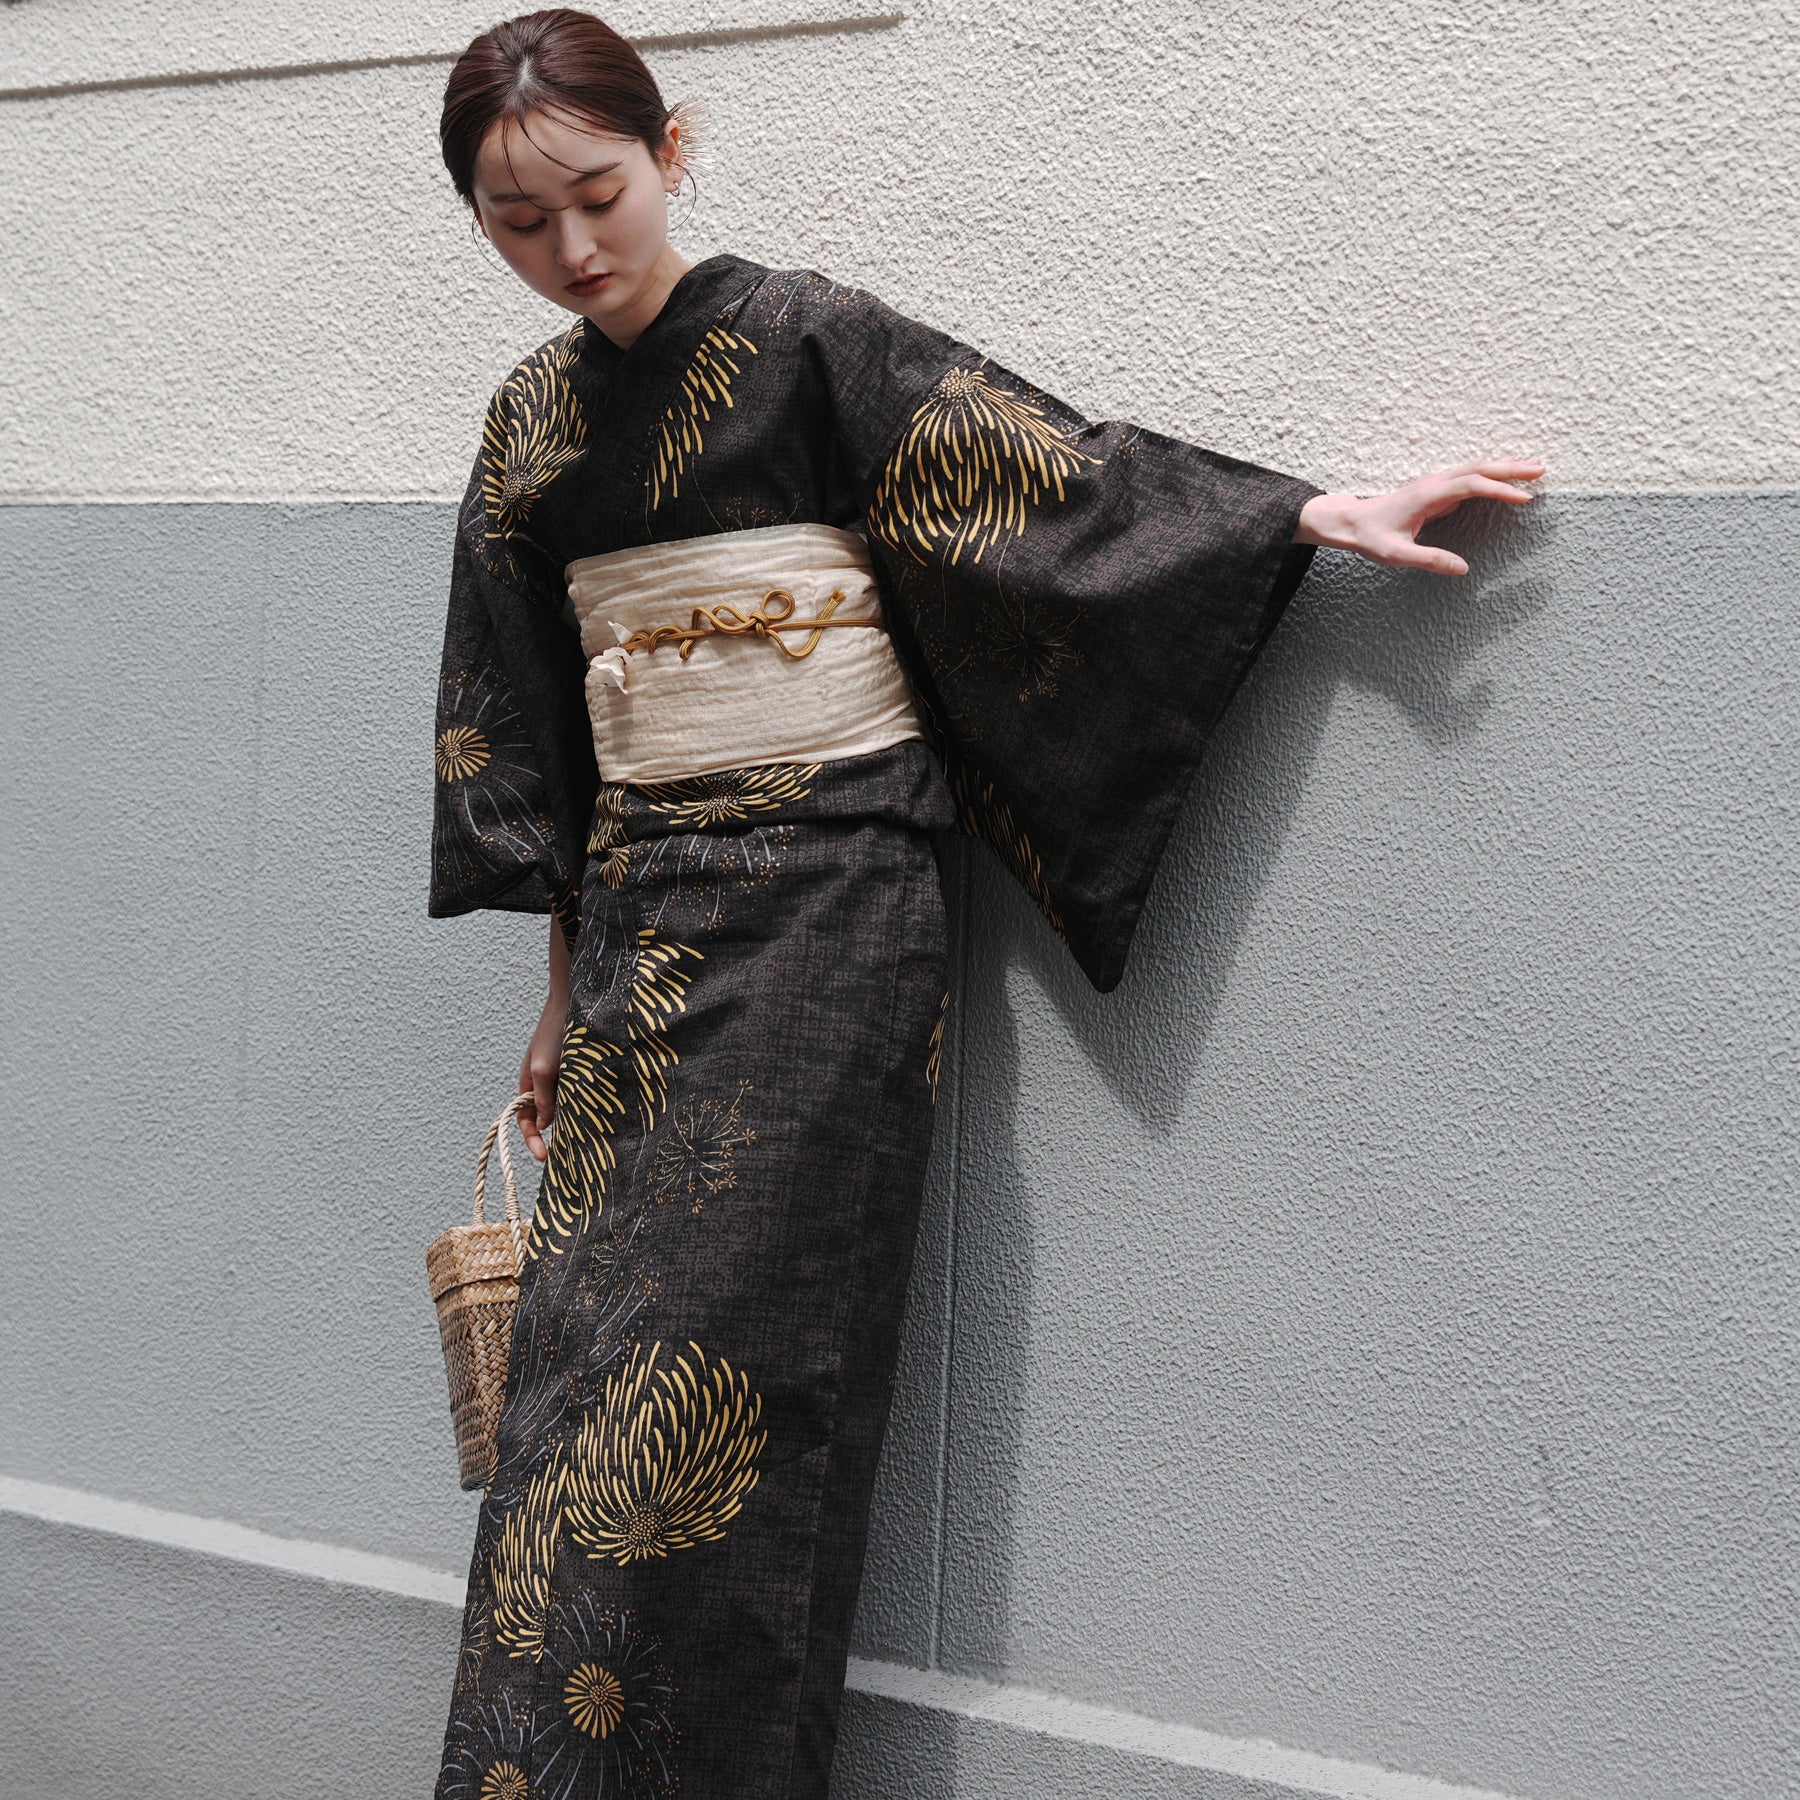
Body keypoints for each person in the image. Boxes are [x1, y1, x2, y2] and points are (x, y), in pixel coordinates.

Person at [427, 11, 1542, 1795]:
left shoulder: (810, 339)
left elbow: (1048, 488)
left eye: (598, 194)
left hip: (828, 911)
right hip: (642, 923)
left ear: (672, 152)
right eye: (517, 221)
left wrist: (1304, 517)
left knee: (743, 1383)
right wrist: (561, 1001)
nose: (570, 247)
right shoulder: (530, 426)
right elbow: (549, 741)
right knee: (571, 1393)